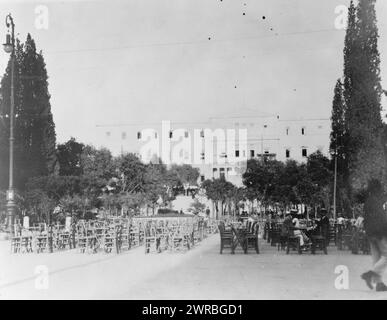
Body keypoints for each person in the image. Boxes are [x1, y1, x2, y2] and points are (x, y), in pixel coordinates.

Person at [361, 179, 387, 291]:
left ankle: (379, 284)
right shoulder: (379, 200)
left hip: (370, 232)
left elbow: (366, 218)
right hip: (379, 231)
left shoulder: (368, 201)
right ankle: (370, 274)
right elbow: (381, 217)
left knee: (376, 257)